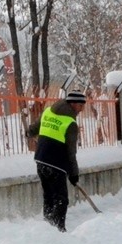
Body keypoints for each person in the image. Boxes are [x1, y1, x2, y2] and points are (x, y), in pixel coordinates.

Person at [30, 90, 85, 232]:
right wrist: (74, 174)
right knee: (61, 199)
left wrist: (35, 136)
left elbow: (32, 130)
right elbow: (71, 152)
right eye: (80, 105)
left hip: (41, 160)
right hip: (56, 164)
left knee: (48, 196)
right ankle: (59, 231)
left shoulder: (48, 111)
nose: (82, 109)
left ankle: (47, 228)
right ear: (73, 104)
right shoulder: (71, 123)